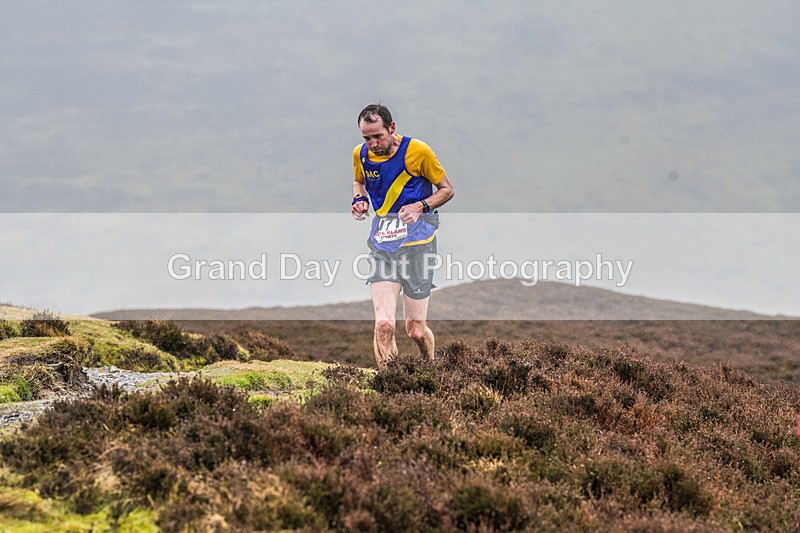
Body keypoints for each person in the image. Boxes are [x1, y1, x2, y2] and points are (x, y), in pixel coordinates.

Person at [351, 104, 455, 369]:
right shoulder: (361, 155)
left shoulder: (417, 151)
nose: (373, 143)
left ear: (392, 128)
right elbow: (359, 181)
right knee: (384, 324)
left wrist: (421, 206)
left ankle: (431, 370)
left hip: (419, 245)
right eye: (366, 138)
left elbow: (447, 190)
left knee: (415, 330)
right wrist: (359, 199)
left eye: (378, 136)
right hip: (383, 245)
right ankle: (391, 385)